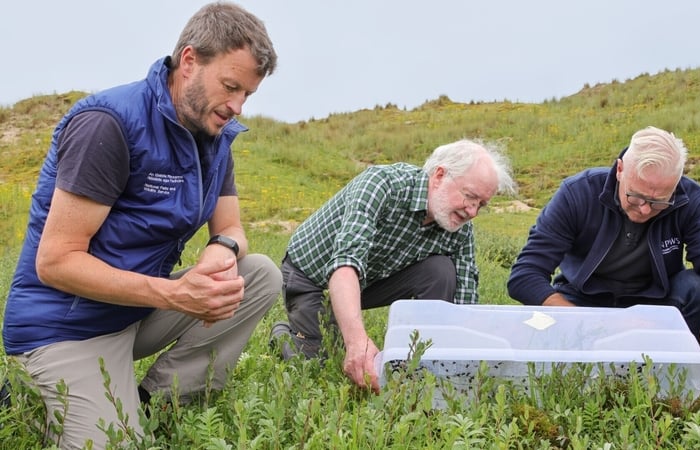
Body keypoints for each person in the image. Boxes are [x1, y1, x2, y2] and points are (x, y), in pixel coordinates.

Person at [1, 3, 281, 447]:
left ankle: (154, 401)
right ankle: (31, 394)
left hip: (134, 313)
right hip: (65, 328)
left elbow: (232, 229)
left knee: (259, 273)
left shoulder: (215, 137)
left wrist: (221, 249)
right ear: (189, 61)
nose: (237, 106)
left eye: (247, 95)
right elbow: (54, 263)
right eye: (231, 87)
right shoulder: (108, 125)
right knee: (115, 443)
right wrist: (174, 293)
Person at [271, 139, 516, 393]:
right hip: (311, 275)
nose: (473, 211)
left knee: (441, 270)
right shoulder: (381, 185)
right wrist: (357, 342)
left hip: (370, 279)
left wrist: (471, 361)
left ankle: (420, 361)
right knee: (321, 367)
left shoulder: (460, 228)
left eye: (481, 205)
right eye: (470, 197)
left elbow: (465, 304)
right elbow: (345, 264)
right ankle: (283, 336)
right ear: (440, 175)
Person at [507, 126, 700, 376]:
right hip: (583, 303)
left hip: (658, 306)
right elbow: (525, 275)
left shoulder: (693, 200)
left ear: (675, 185)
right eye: (636, 197)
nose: (644, 209)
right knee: (540, 325)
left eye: (658, 202)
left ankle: (688, 380)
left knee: (696, 288)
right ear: (620, 170)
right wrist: (591, 322)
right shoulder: (578, 193)